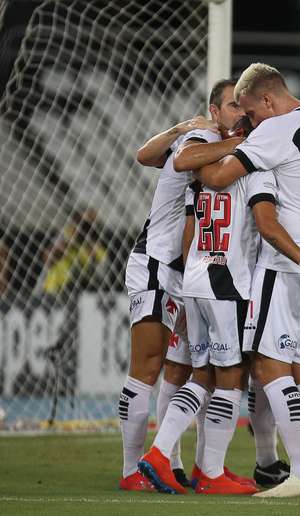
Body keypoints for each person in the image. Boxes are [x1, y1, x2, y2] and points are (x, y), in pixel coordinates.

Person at [174, 63, 300, 498]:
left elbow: (214, 177)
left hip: (291, 263)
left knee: (268, 366)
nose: (249, 122)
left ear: (268, 100)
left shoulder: (274, 130)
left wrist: (224, 144)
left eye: (251, 112)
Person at [137, 80, 261, 496]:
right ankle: (202, 470)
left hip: (198, 277)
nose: (243, 117)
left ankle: (186, 463)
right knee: (229, 378)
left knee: (203, 374)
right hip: (226, 280)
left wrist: (190, 285)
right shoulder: (249, 159)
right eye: (234, 108)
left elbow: (191, 226)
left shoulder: (206, 170)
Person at [117, 93, 221, 491]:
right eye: (232, 107)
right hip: (159, 266)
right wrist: (182, 128)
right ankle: (131, 471)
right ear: (215, 112)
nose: (240, 115)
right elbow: (151, 155)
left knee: (181, 370)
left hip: (187, 274)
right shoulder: (202, 142)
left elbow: (148, 157)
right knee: (146, 368)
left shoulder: (218, 145)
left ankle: (172, 464)